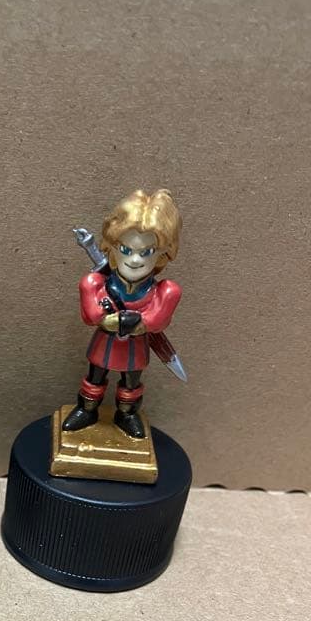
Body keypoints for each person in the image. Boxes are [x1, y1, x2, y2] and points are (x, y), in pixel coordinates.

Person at [63, 189, 182, 440]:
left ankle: (126, 414)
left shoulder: (164, 291)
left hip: (134, 348)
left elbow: (156, 321)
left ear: (163, 254)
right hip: (104, 343)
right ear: (112, 248)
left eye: (146, 252)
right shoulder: (96, 283)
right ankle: (87, 409)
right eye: (126, 250)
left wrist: (138, 322)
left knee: (131, 382)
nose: (135, 260)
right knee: (95, 376)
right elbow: (91, 316)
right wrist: (113, 320)